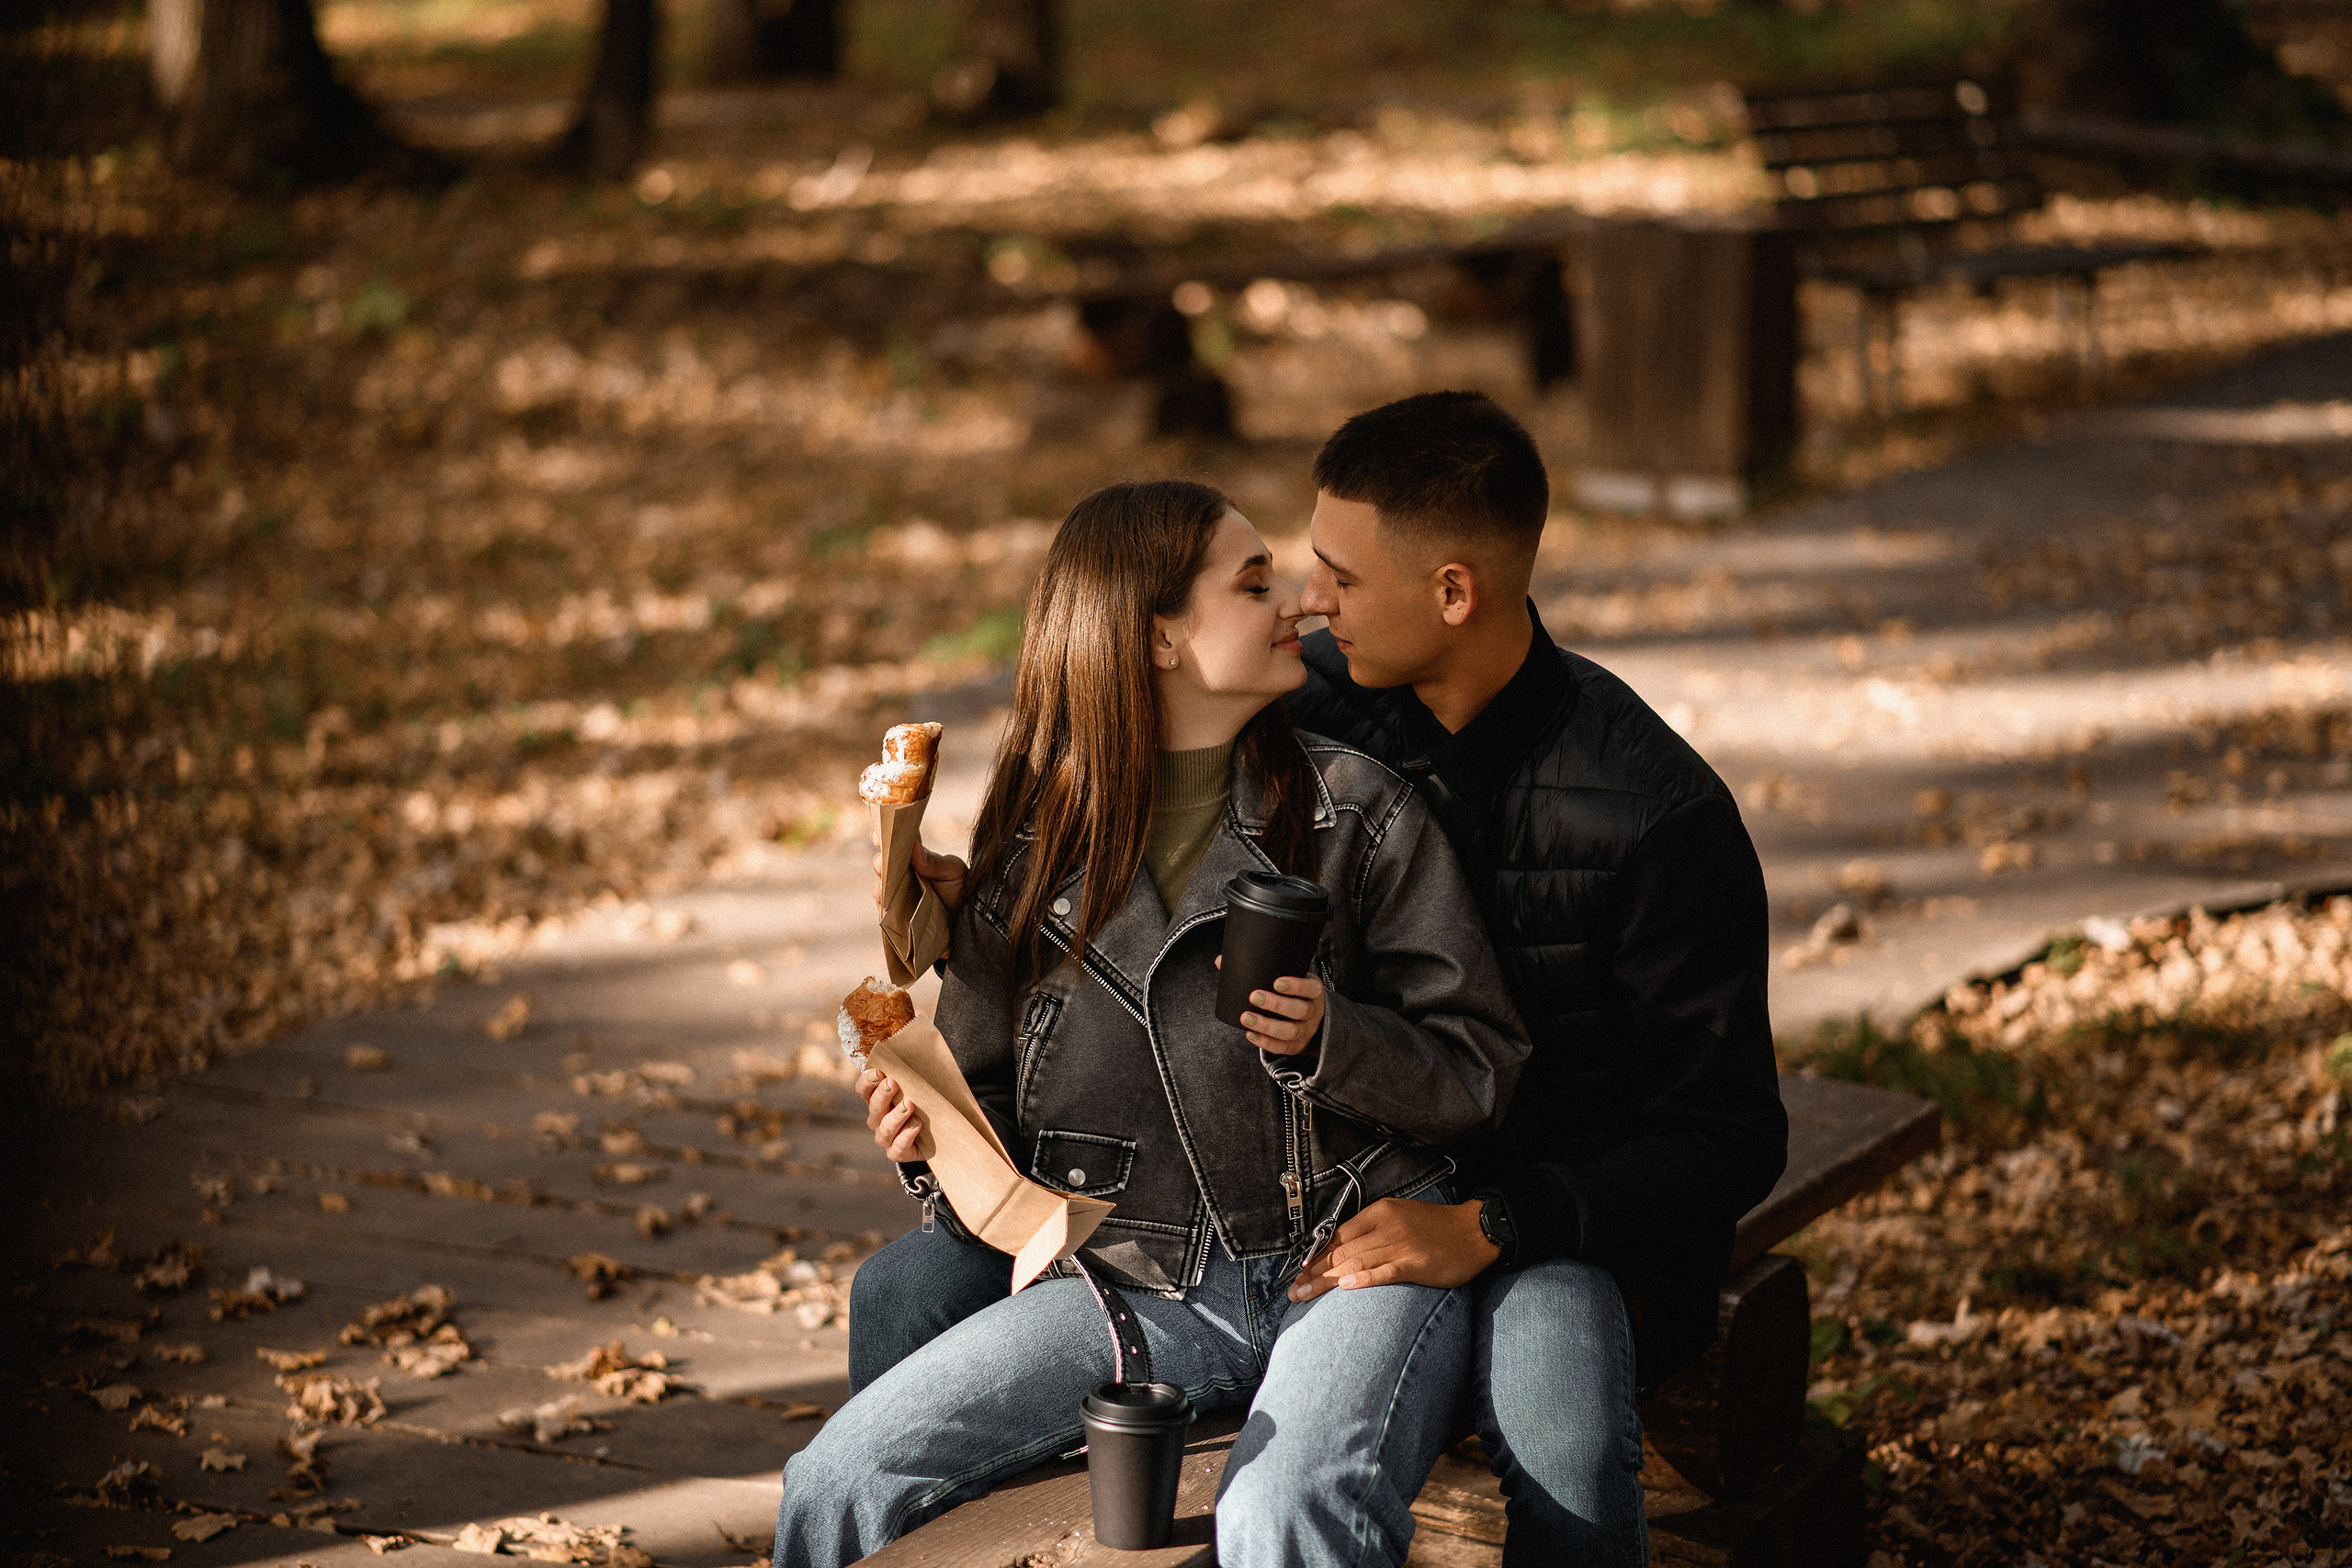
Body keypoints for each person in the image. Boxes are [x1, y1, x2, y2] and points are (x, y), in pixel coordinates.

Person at [851, 395, 1789, 1566]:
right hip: (1304, 1187)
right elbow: (1147, 725)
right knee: (901, 1297)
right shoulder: (1319, 698)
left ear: (1453, 593)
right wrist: (992, 903)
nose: (1308, 600)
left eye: (1336, 574)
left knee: (1565, 1444)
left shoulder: (1653, 813)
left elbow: (1731, 1135)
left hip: (1544, 1208)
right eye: (1291, 576)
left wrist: (1495, 1221)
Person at [779, 479, 1528, 1568]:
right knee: (837, 1480)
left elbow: (1482, 1069)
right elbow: (987, 1101)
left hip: (1357, 1263)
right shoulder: (1029, 857)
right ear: (1159, 636)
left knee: (1276, 1516)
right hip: (1133, 1284)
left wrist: (1333, 1040)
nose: (1301, 605)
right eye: (1254, 583)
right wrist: (925, 1136)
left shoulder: (1359, 810)